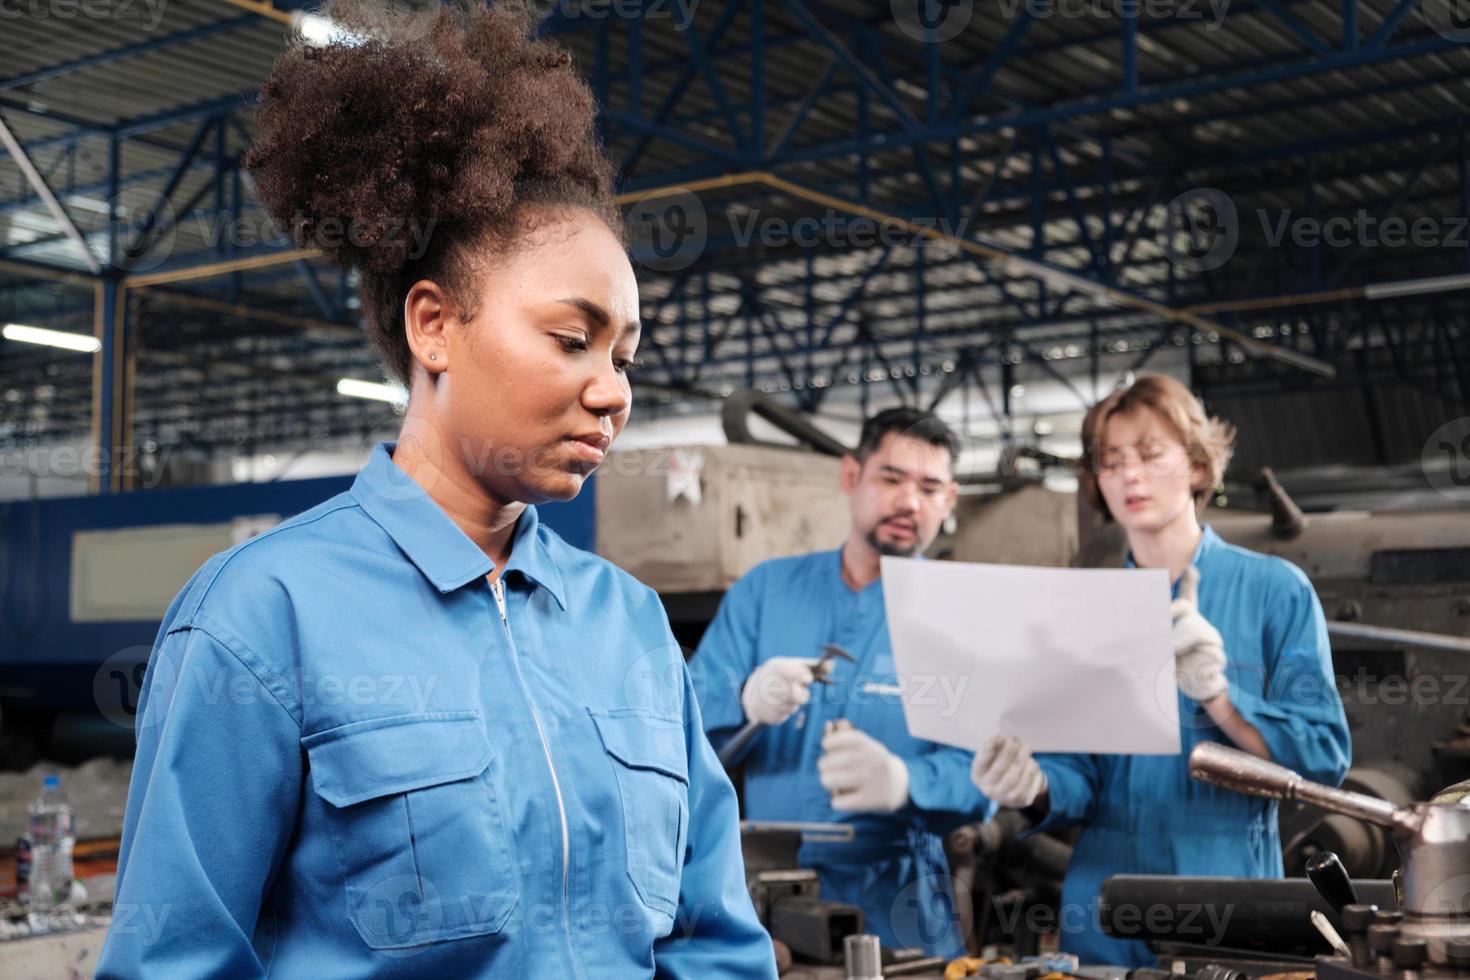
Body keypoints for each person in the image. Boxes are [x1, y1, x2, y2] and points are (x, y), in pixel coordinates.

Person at [95, 4, 775, 977]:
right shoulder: (261, 619)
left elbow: (713, 944)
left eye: (626, 353)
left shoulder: (629, 624)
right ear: (435, 327)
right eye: (571, 337)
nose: (613, 388)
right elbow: (176, 962)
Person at [970, 373, 1350, 968]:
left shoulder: (1275, 590)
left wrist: (1220, 699)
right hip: (1104, 896)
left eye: (1150, 455)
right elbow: (1079, 775)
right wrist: (1033, 787)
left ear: (1198, 467)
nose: (1130, 475)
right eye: (1112, 460)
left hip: (1227, 885)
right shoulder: (1084, 609)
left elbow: (1323, 756)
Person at [692, 407, 993, 957]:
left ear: (949, 502)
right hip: (765, 893)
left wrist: (907, 782)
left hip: (901, 899)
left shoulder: (962, 615)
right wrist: (744, 700)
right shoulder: (764, 593)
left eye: (929, 488)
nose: (909, 502)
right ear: (852, 477)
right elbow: (682, 735)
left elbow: (987, 777)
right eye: (892, 479)